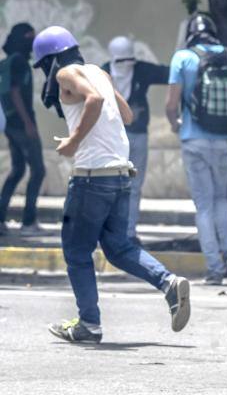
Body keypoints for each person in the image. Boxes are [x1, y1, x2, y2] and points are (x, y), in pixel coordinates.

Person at [31, 26, 190, 343]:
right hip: (120, 175)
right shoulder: (97, 72)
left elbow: (94, 100)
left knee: (77, 251)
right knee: (119, 248)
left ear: (50, 59)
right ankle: (168, 282)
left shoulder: (66, 72)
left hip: (92, 178)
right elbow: (127, 114)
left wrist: (75, 141)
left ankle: (89, 324)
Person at [166, 13, 227, 285]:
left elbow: (171, 104)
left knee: (203, 205)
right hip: (224, 139)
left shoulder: (182, 58)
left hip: (194, 139)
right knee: (221, 197)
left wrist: (176, 125)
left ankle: (215, 266)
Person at [101, 36, 170, 244]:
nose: (126, 67)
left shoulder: (141, 70)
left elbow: (167, 74)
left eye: (129, 61)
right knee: (111, 185)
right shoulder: (103, 73)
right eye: (121, 62)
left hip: (137, 135)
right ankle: (111, 231)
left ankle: (128, 232)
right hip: (112, 137)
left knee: (133, 186)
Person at [0, 23, 47, 237]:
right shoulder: (18, 61)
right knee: (38, 170)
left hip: (10, 124)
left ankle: (1, 220)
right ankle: (28, 222)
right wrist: (28, 123)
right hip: (21, 123)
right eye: (30, 36)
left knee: (18, 170)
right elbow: (15, 92)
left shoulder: (7, 62)